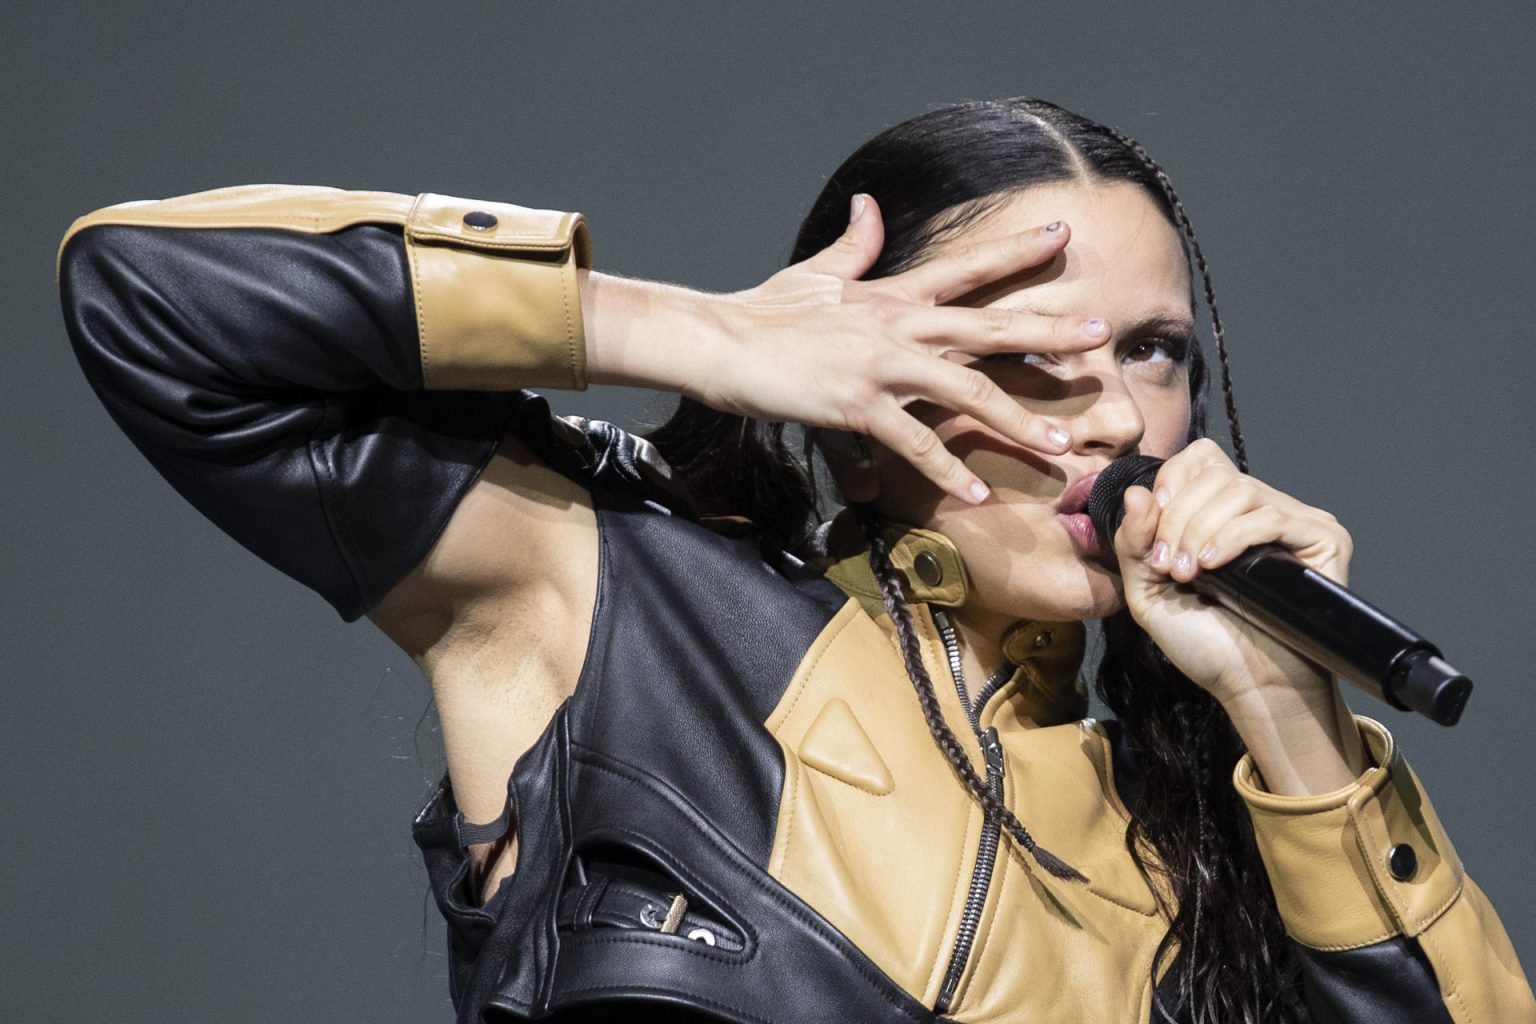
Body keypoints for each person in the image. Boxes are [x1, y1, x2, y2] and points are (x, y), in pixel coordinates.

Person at [55, 97, 1533, 1024]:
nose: (1120, 416)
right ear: (862, 403)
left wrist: (1284, 710)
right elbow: (147, 295)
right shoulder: (621, 607)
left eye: (1153, 353)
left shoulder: (1212, 836)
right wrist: (698, 331)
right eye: (1025, 355)